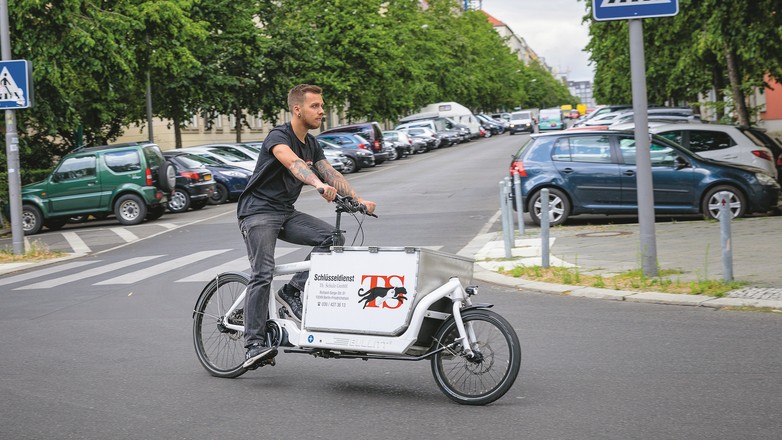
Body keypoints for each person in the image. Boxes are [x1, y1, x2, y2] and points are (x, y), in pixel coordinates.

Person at [237, 84, 377, 369]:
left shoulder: (312, 142)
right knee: (262, 272)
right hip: (258, 212)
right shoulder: (279, 136)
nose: (322, 111)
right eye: (315, 106)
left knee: (333, 237)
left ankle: (291, 291)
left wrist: (358, 199)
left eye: (322, 106)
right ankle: (253, 343)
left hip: (285, 213)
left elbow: (330, 172)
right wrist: (316, 184)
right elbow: (292, 162)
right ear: (297, 109)